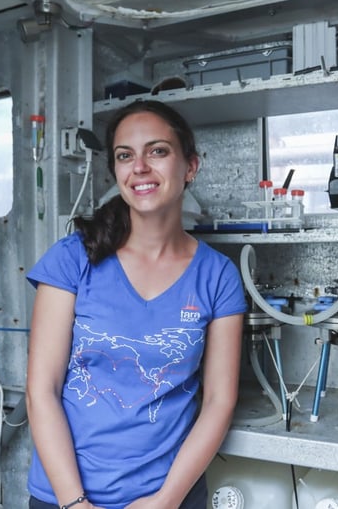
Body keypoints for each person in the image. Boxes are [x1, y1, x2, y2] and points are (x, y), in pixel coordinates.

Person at [25, 100, 246, 509]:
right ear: (116, 172)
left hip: (169, 496)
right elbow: (42, 391)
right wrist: (74, 503)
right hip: (64, 497)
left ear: (190, 166)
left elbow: (219, 401)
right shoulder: (72, 259)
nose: (140, 167)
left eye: (157, 151)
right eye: (125, 156)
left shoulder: (218, 276)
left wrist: (165, 501)